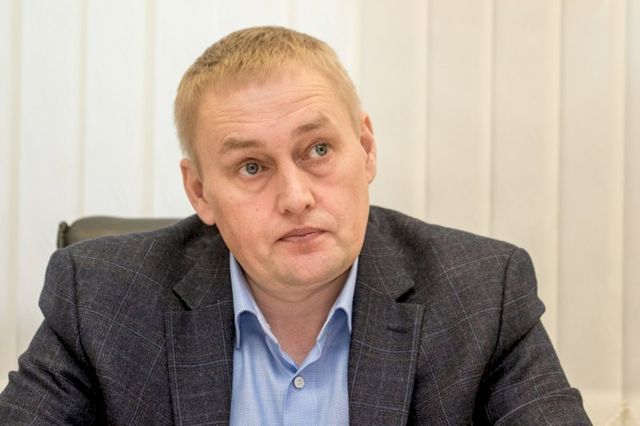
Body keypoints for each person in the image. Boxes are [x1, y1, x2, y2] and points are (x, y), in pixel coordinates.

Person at [0, 26, 590, 425]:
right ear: (200, 191)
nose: (296, 197)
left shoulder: (482, 295)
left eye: (318, 150)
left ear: (366, 149)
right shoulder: (101, 299)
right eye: (251, 167)